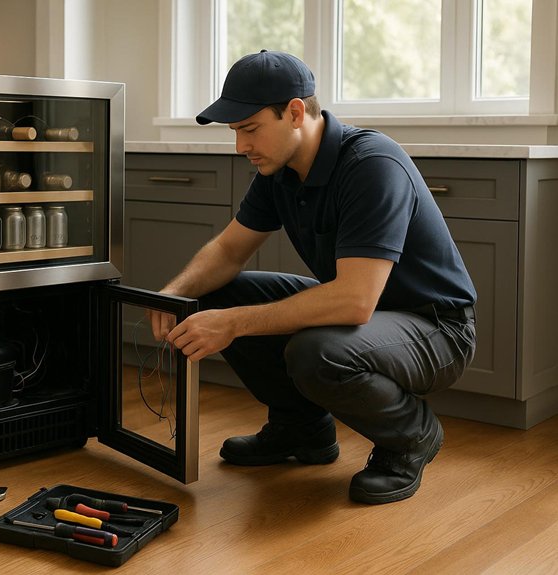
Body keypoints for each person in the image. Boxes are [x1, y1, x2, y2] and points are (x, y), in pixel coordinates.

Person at [149, 50, 477, 505]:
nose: (240, 146)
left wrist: (235, 324)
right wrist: (173, 294)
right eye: (235, 132)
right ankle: (301, 430)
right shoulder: (278, 168)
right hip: (366, 313)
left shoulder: (371, 164)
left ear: (296, 113)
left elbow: (355, 302)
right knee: (219, 294)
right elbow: (227, 251)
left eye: (249, 129)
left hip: (436, 329)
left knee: (314, 351)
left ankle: (410, 437)